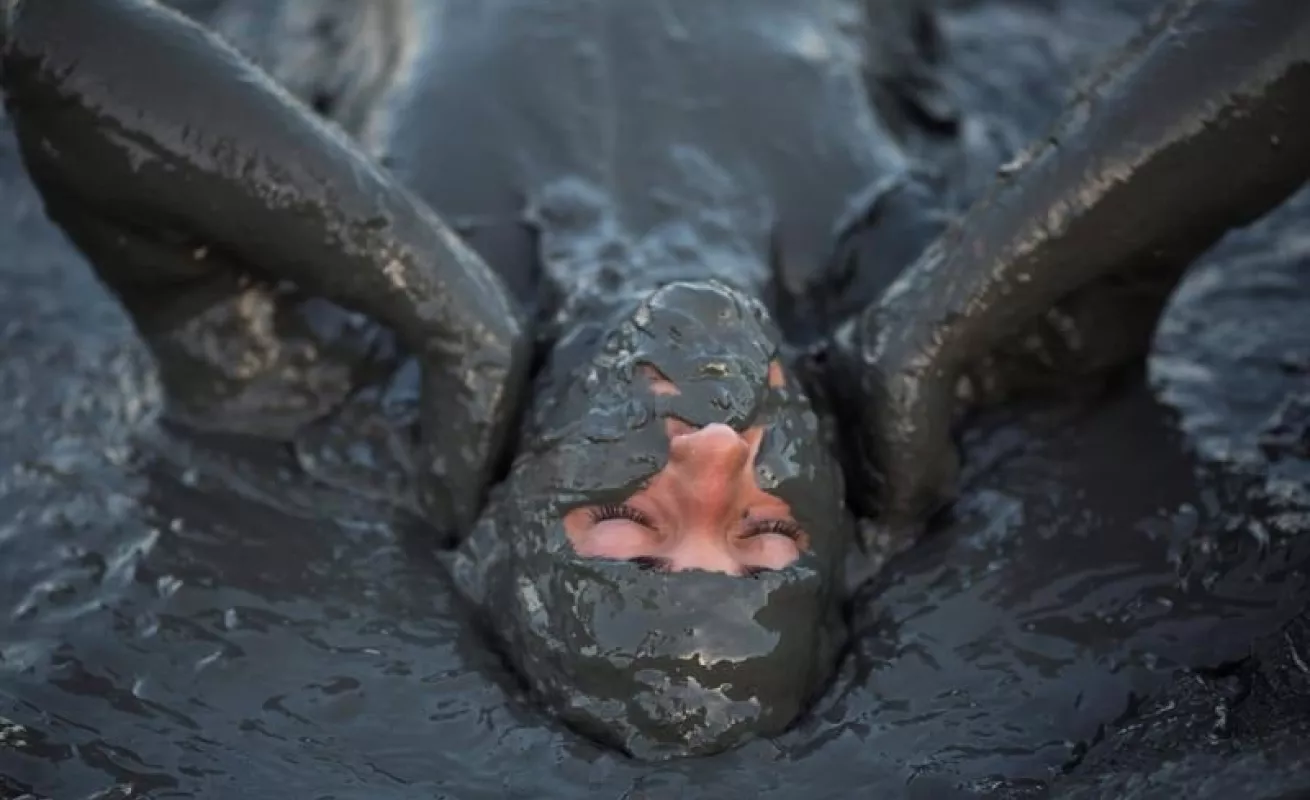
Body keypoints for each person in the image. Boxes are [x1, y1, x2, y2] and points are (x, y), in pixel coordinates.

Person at [2, 0, 1307, 759]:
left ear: (497, 530)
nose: (713, 452)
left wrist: (447, 320)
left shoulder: (324, 371)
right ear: (843, 544)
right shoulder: (975, 352)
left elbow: (66, 46)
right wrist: (937, 331)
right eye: (763, 531)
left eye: (625, 522)